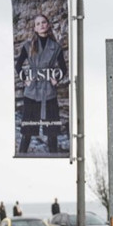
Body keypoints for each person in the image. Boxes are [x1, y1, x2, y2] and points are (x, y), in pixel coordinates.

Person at [14, 13, 68, 155]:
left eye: (43, 22)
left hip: (49, 93)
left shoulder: (55, 47)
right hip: (31, 93)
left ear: (48, 25)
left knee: (52, 132)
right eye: (38, 24)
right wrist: (25, 79)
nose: (41, 25)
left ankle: (55, 160)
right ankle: (22, 157)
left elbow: (63, 68)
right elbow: (18, 65)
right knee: (27, 132)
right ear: (35, 28)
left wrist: (56, 79)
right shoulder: (28, 45)